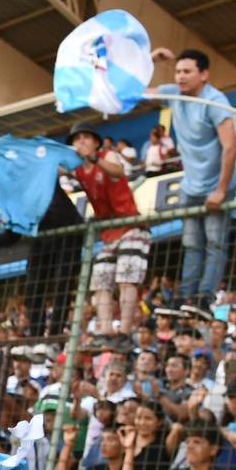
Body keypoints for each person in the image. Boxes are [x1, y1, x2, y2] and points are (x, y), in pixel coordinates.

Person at [150, 47, 236, 320]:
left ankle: (204, 298)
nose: (180, 77)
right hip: (191, 186)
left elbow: (231, 147)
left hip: (216, 187)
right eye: (177, 71)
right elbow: (137, 93)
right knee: (191, 243)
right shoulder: (174, 93)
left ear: (204, 74)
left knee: (215, 243)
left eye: (187, 71)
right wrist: (151, 61)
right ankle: (185, 297)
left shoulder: (215, 101)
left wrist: (221, 190)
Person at [66, 124, 148, 338]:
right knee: (100, 281)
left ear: (96, 143)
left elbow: (117, 171)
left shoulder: (107, 155)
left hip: (131, 226)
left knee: (126, 279)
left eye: (86, 137)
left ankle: (125, 329)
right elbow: (51, 166)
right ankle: (106, 328)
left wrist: (94, 159)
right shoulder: (76, 168)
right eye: (76, 139)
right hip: (109, 233)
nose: (81, 141)